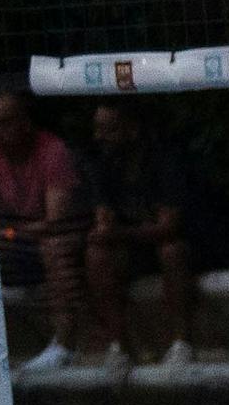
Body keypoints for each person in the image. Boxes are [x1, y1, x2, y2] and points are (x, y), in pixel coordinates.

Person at [80, 99, 210, 365]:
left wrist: (116, 233)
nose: (99, 137)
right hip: (136, 246)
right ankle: (120, 347)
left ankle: (181, 343)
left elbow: (169, 227)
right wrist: (106, 231)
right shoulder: (103, 164)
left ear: (132, 129)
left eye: (109, 130)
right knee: (97, 256)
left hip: (187, 246)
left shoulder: (165, 159)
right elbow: (104, 219)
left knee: (171, 251)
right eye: (97, 129)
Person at [0, 90, 97, 373]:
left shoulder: (52, 151)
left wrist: (8, 232)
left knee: (54, 247)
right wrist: (4, 233)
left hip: (65, 236)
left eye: (5, 123)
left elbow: (55, 221)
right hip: (19, 241)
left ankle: (64, 344)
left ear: (25, 121)